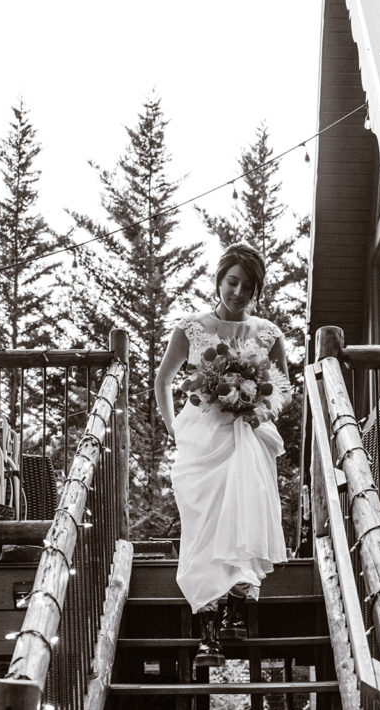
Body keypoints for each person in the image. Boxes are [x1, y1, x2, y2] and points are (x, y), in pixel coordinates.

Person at [155, 242, 290, 669]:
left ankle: (232, 612)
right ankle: (207, 628)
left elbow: (283, 390)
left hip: (245, 439)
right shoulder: (191, 328)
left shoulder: (268, 333)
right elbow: (163, 381)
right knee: (204, 525)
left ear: (256, 292)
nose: (238, 292)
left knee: (241, 518)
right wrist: (175, 427)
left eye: (247, 287)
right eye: (233, 282)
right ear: (219, 280)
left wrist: (256, 407)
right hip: (202, 441)